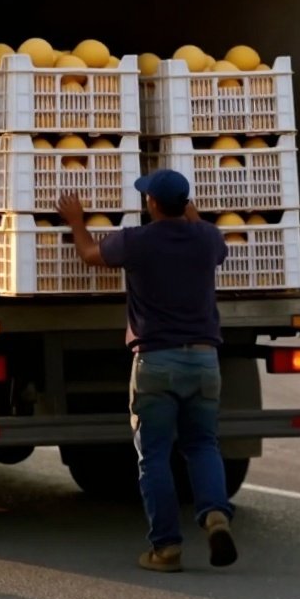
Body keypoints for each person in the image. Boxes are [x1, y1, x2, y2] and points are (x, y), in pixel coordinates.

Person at [58, 168, 237, 573]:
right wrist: (190, 212)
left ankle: (167, 548)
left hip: (157, 360)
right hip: (205, 359)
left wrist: (76, 222)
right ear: (186, 203)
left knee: (154, 457)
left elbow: (89, 255)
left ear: (151, 204)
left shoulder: (136, 242)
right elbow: (207, 235)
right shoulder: (208, 239)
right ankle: (215, 515)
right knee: (203, 445)